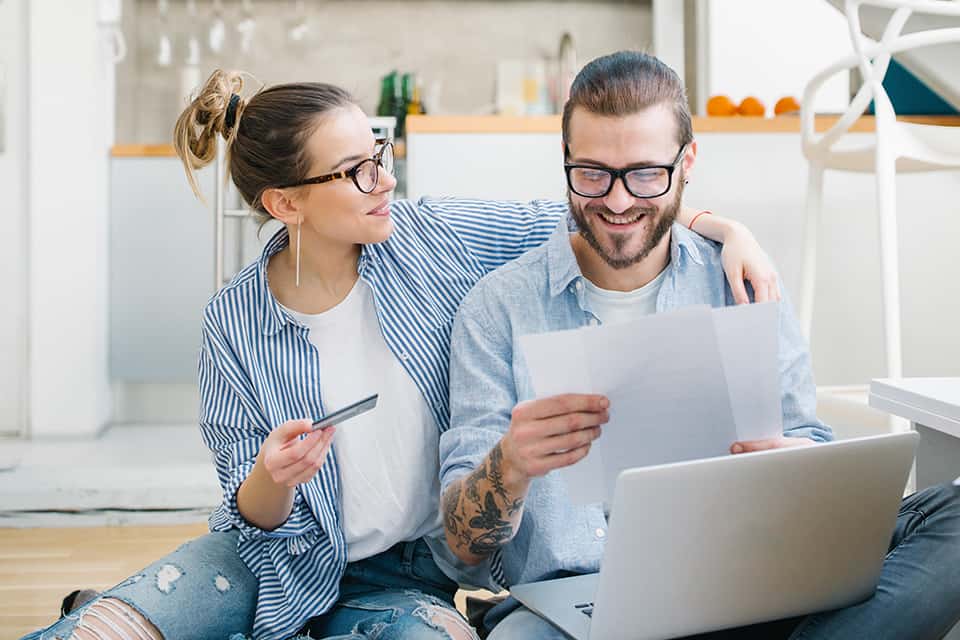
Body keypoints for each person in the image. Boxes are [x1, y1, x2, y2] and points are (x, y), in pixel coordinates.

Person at [20, 68, 778, 640]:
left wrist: (722, 228)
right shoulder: (235, 323)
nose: (384, 180)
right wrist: (271, 477)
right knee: (105, 632)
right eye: (354, 171)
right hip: (266, 567)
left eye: (378, 153)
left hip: (408, 576)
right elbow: (252, 521)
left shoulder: (431, 239)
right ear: (286, 204)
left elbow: (601, 207)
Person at [438, 51, 960, 640]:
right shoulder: (499, 308)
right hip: (574, 609)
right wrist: (509, 465)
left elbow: (809, 441)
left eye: (644, 174)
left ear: (687, 163)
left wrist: (790, 462)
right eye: (591, 173)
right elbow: (459, 554)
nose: (616, 202)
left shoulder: (738, 280)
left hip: (746, 588)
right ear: (565, 161)